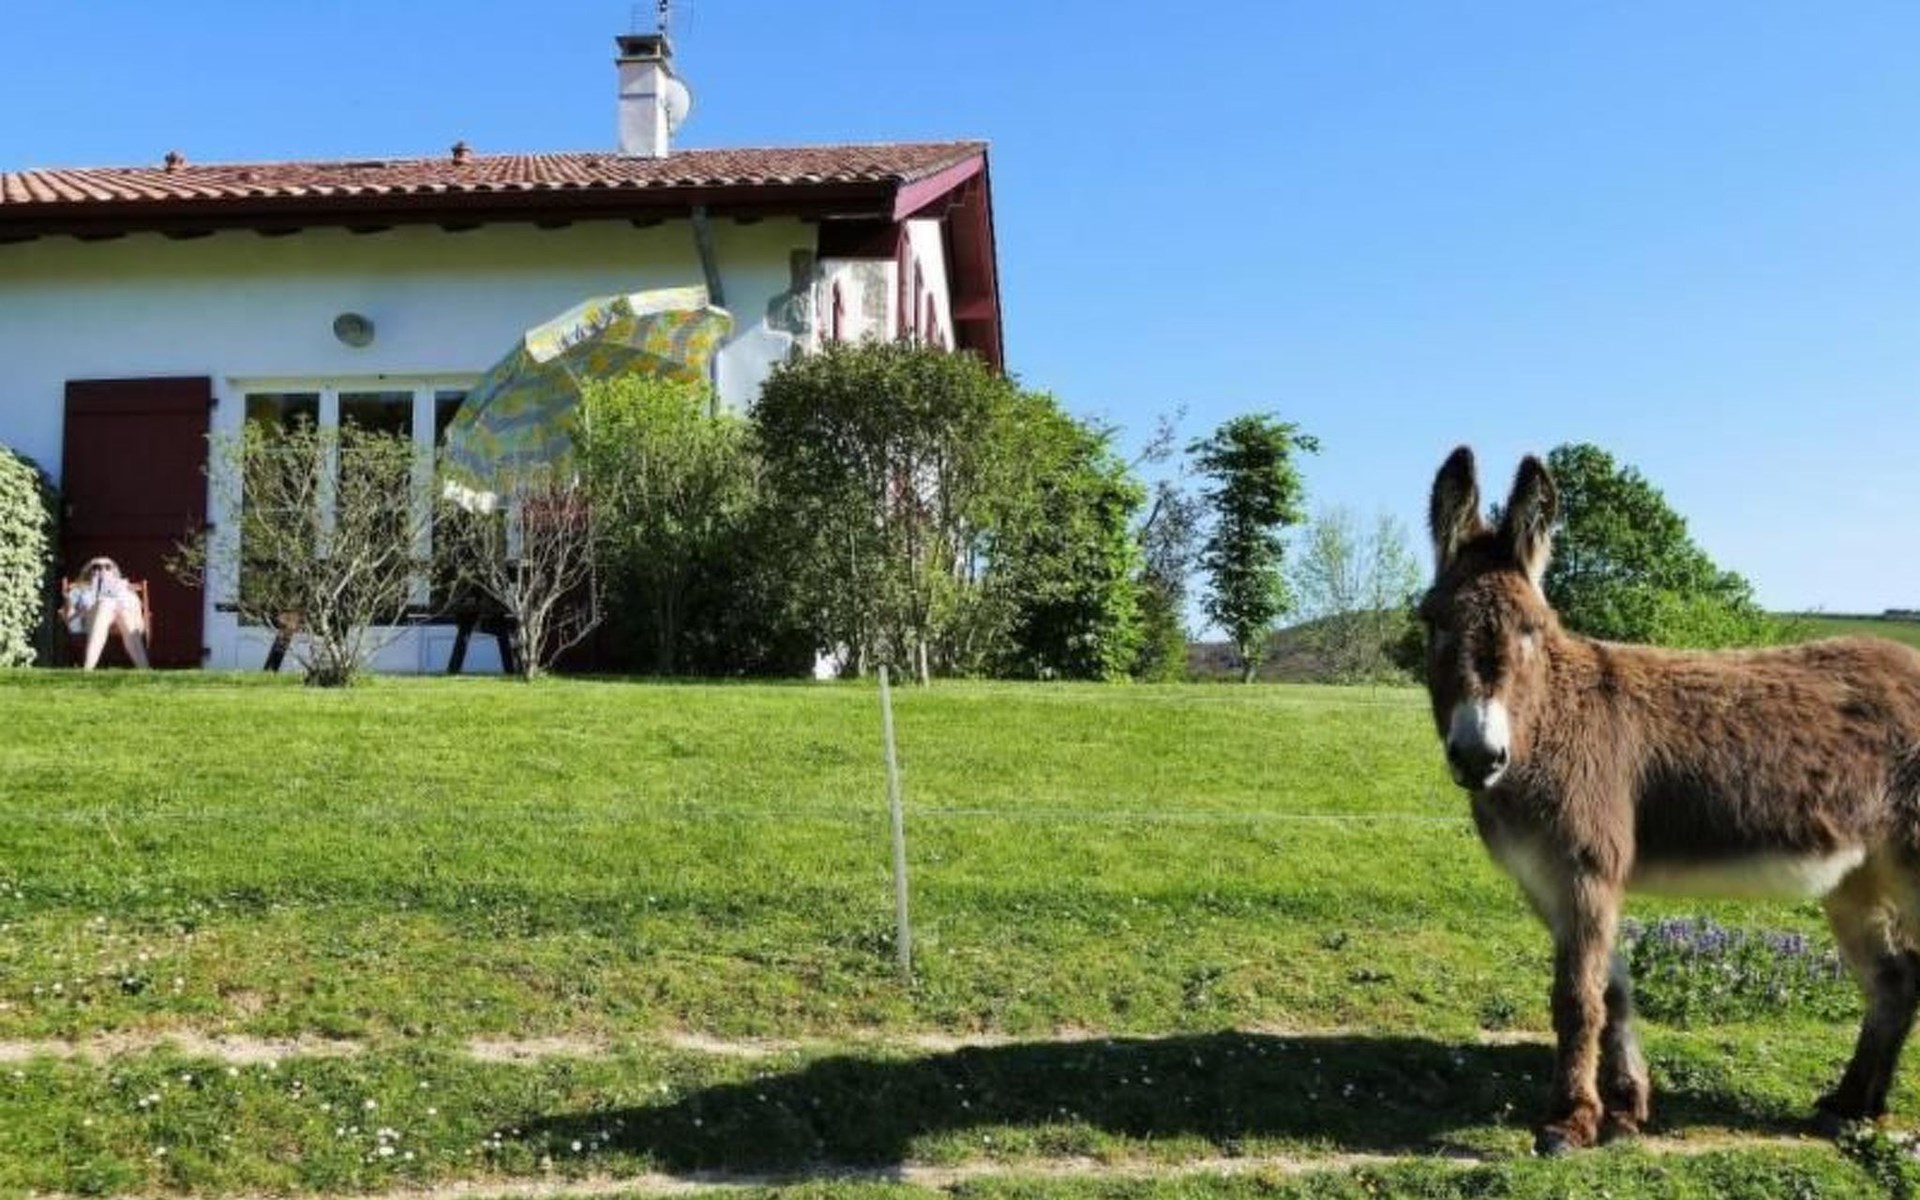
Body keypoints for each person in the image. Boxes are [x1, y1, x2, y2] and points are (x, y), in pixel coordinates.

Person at [62, 557, 150, 670]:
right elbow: (70, 622)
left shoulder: (125, 590)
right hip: (87, 622)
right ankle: (88, 667)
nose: (102, 570)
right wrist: (83, 611)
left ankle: (144, 669)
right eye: (96, 567)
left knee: (120, 610)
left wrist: (124, 599)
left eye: (108, 567)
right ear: (89, 571)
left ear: (114, 571)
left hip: (122, 623)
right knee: (105, 604)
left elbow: (138, 621)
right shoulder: (78, 590)